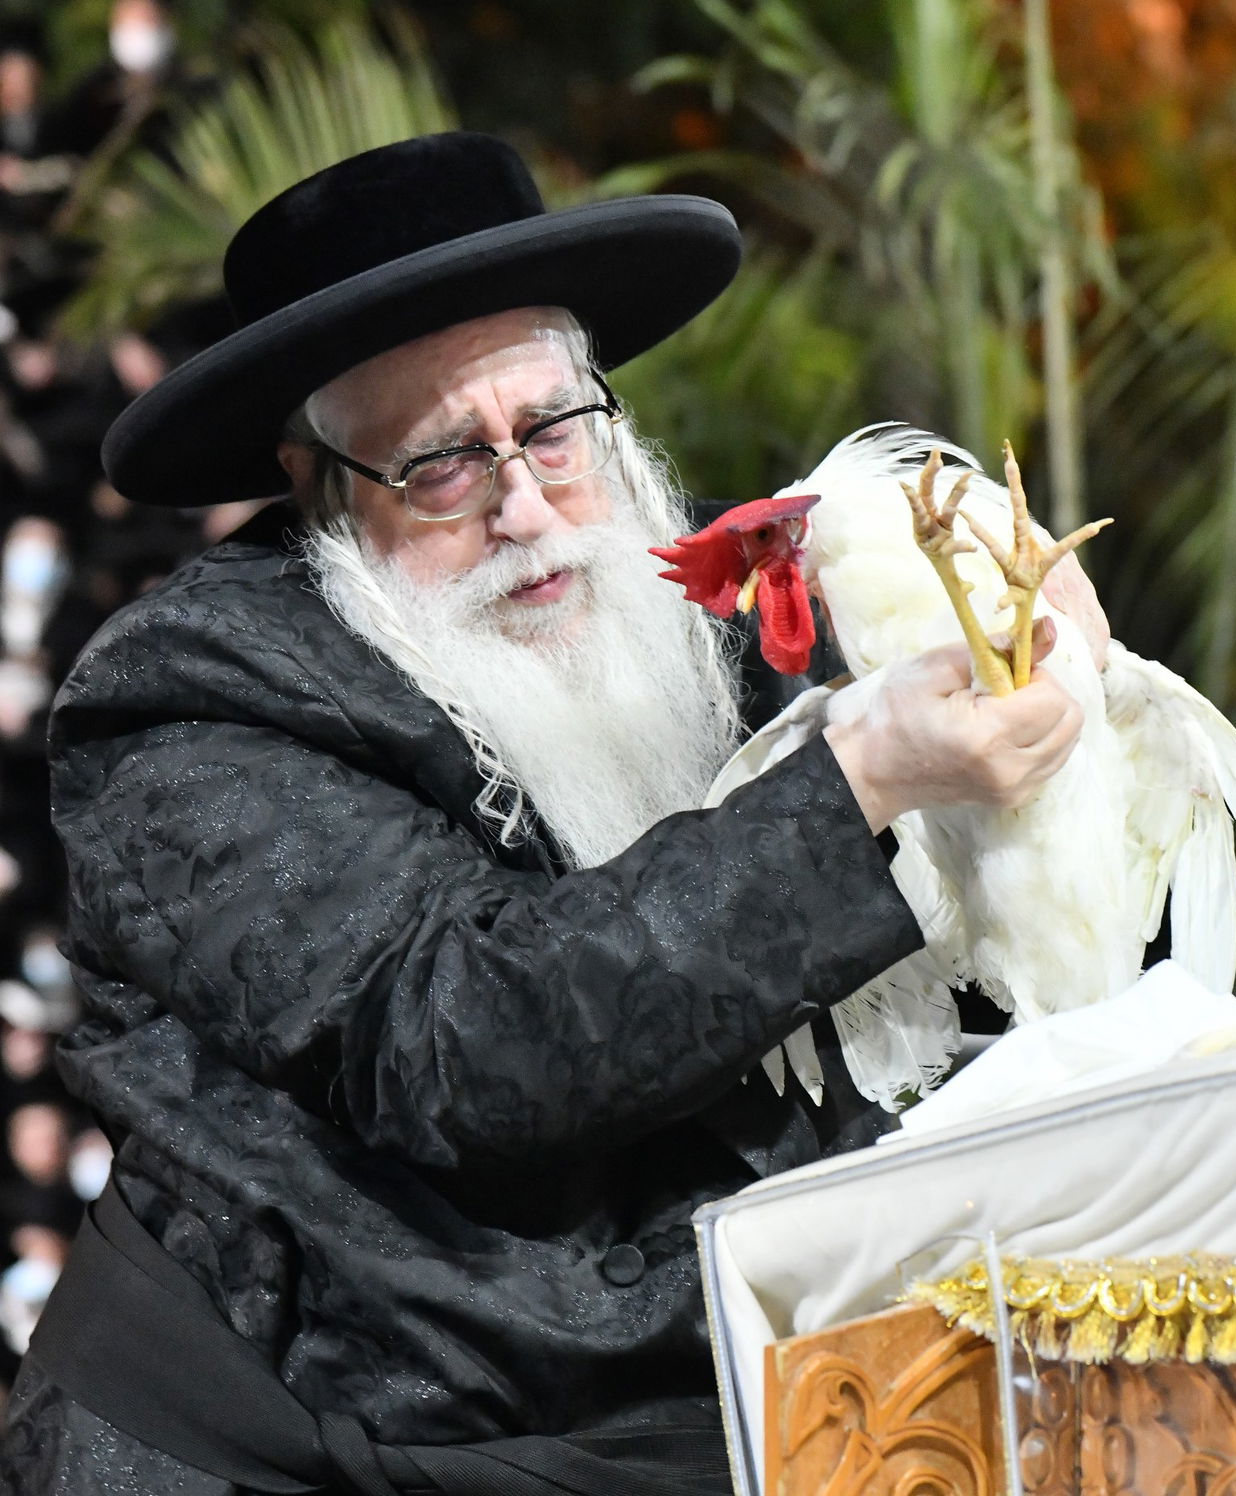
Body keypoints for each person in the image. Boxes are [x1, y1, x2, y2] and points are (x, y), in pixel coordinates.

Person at [0, 132, 1084, 1494]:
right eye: (443, 463)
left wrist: (1057, 701)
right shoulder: (182, 709)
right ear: (317, 483)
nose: (525, 504)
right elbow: (473, 1040)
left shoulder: (706, 618)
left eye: (553, 428)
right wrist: (864, 778)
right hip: (294, 1448)